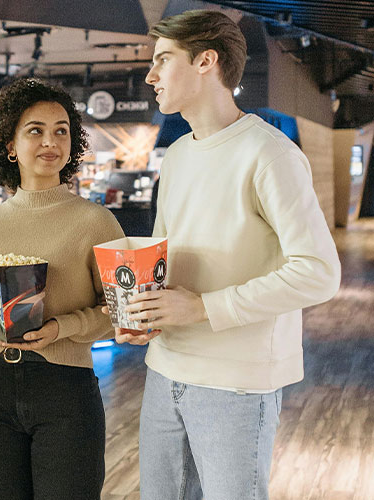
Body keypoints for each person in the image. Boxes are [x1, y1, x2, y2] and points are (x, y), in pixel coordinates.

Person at [114, 10, 341, 500]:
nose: (150, 76)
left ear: (206, 61)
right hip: (164, 369)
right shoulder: (176, 157)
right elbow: (164, 257)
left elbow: (319, 272)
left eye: (163, 60)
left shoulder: (269, 154)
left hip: (236, 385)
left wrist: (203, 307)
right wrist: (144, 313)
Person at [0, 78, 124, 500]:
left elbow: (121, 308)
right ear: (11, 145)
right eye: (36, 130)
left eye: (61, 130)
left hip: (65, 389)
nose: (51, 141)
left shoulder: (95, 222)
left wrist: (62, 328)